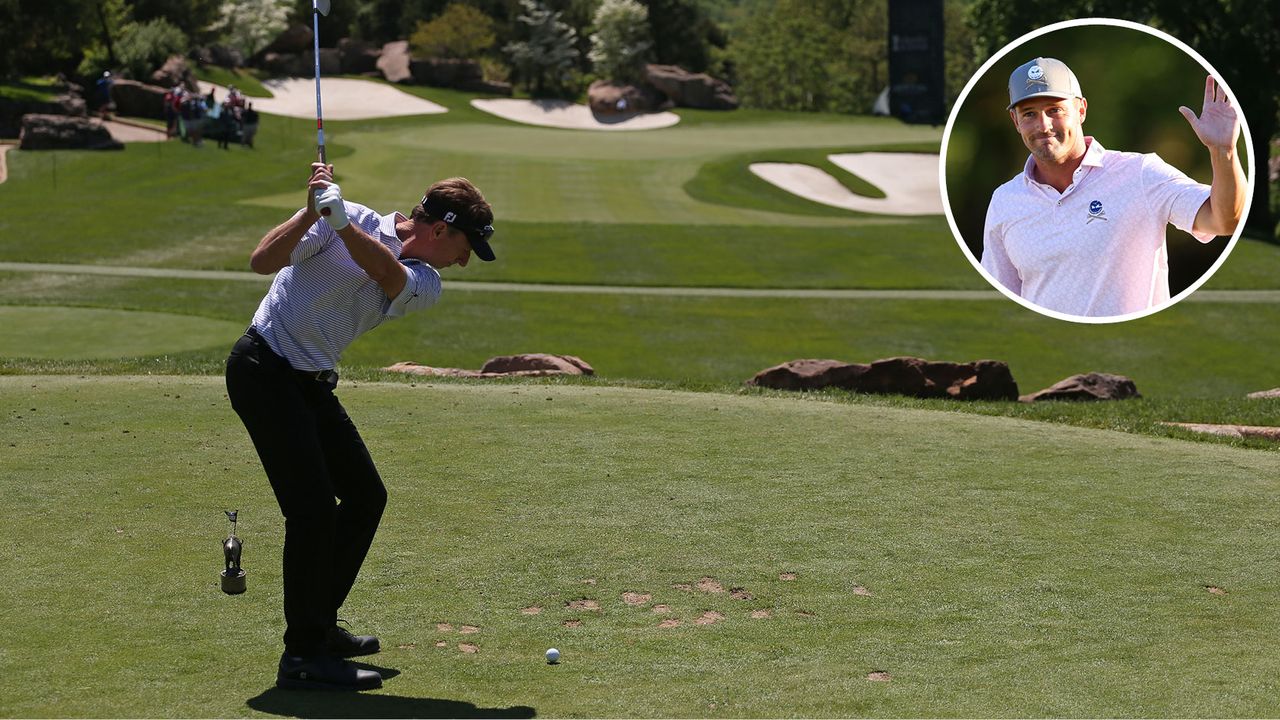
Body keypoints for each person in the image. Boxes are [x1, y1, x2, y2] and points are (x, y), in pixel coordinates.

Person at [225, 162, 495, 691]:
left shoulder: (426, 280)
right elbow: (263, 261)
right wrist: (311, 214)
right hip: (263, 369)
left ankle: (318, 625)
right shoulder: (336, 216)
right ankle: (302, 656)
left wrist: (342, 223)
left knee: (365, 497)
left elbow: (388, 275)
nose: (465, 260)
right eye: (466, 246)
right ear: (439, 229)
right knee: (311, 512)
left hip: (308, 383)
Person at [981, 57, 1246, 317]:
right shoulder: (1005, 201)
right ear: (1016, 122)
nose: (1044, 126)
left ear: (1081, 110)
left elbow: (1225, 220)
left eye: (1055, 110)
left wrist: (1223, 151)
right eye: (1029, 114)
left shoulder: (1140, 173)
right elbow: (1001, 304)